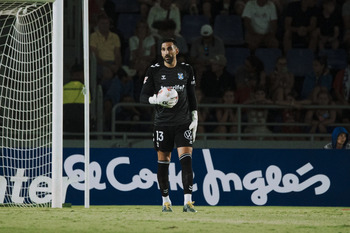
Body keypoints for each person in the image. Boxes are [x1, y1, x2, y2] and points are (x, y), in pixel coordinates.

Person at [139, 38, 198, 212]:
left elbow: (192, 96)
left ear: (176, 51)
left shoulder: (186, 69)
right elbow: (142, 96)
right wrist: (156, 99)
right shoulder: (154, 71)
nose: (166, 52)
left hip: (183, 123)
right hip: (162, 125)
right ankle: (166, 201)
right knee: (163, 163)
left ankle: (188, 202)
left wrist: (195, 117)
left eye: (169, 49)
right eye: (163, 49)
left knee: (186, 163)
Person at [90, 14, 122, 83]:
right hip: (100, 64)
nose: (105, 25)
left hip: (113, 63)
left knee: (126, 77)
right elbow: (95, 57)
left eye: (106, 23)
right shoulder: (93, 36)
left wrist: (117, 66)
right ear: (98, 24)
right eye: (102, 23)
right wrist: (110, 66)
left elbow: (117, 55)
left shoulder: (115, 36)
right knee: (108, 74)